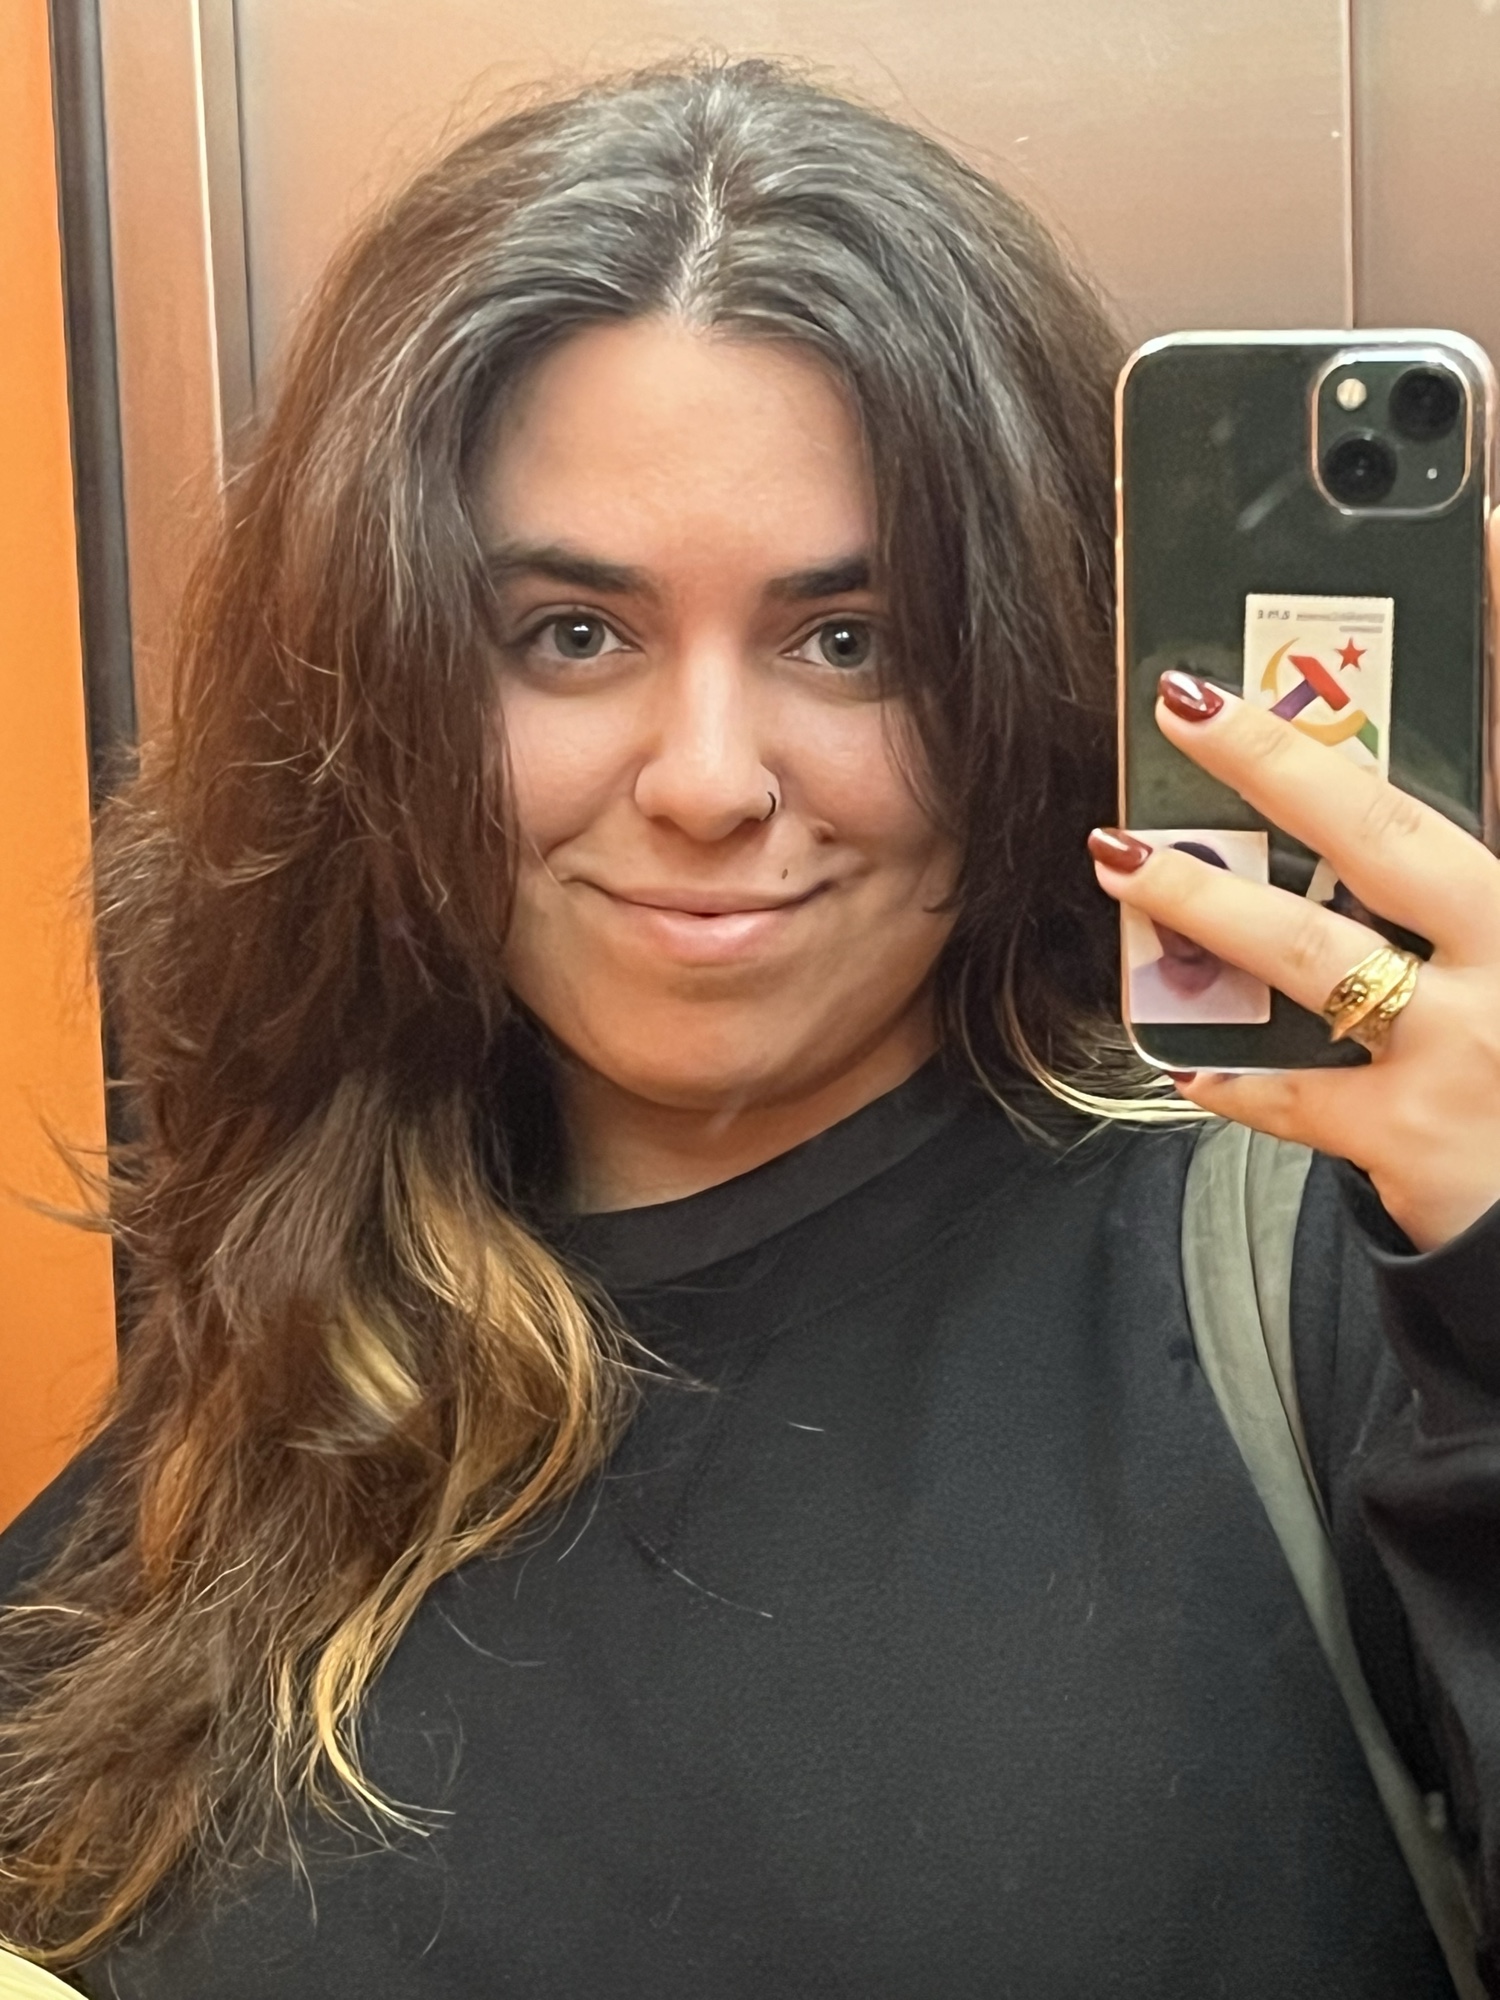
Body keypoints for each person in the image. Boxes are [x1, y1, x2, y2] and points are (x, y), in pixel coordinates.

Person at [2, 59, 1499, 1999]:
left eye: (846, 640)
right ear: (382, 684)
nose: (709, 780)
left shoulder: (1328, 1295)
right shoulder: (255, 1401)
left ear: (1017, 665)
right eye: (573, 634)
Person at [1127, 840, 1272, 1024]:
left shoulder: (1256, 993)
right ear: (1151, 913)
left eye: (1203, 907)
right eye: (1171, 905)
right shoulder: (1131, 989)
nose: (1185, 922)